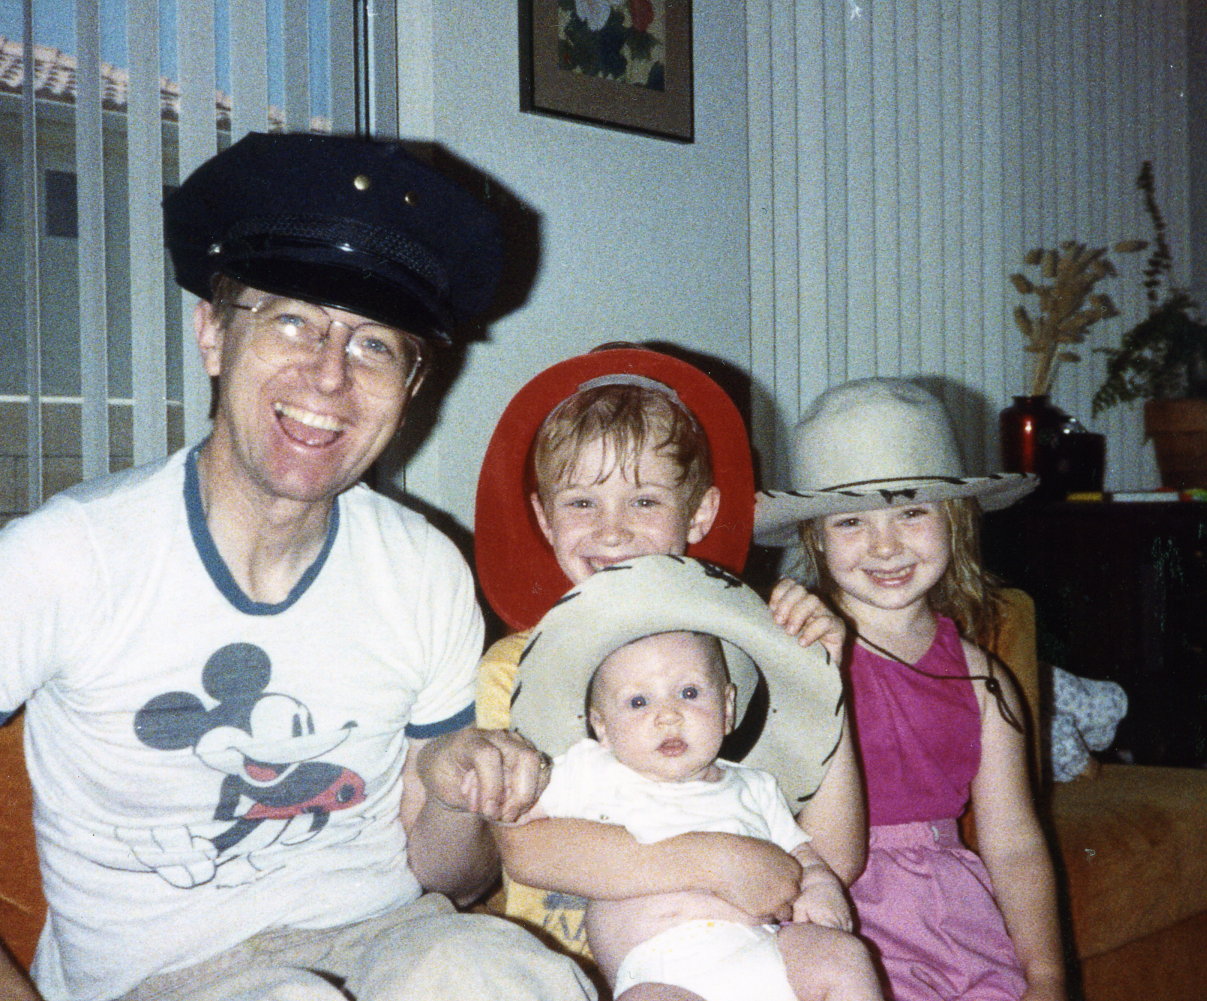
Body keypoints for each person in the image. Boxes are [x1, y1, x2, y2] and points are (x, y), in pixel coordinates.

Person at [0, 132, 593, 1001]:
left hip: (389, 936)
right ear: (213, 333)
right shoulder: (67, 557)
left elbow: (454, 879)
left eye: (374, 345)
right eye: (291, 321)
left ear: (410, 389)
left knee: (499, 972)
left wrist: (453, 786)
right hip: (160, 977)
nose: (328, 376)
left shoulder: (423, 569)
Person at [473, 348, 864, 972]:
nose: (612, 531)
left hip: (747, 961)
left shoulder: (745, 651)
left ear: (700, 512)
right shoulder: (511, 669)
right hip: (567, 968)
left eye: (645, 502)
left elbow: (835, 858)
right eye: (581, 503)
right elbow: (528, 849)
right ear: (544, 518)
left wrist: (821, 680)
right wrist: (712, 860)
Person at [754, 377, 1067, 1001]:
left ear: (956, 519)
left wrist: (1048, 976)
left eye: (912, 512)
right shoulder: (795, 656)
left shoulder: (984, 681)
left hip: (957, 923)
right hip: (836, 913)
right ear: (815, 537)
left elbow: (1013, 844)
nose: (885, 545)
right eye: (851, 521)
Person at [500, 556, 878, 1001]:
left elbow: (804, 855)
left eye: (689, 692)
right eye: (638, 702)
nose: (668, 715)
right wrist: (503, 777)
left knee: (843, 956)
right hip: (660, 976)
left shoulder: (755, 786)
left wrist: (819, 888)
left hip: (763, 953)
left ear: (728, 708)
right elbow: (518, 816)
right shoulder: (590, 770)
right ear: (601, 727)